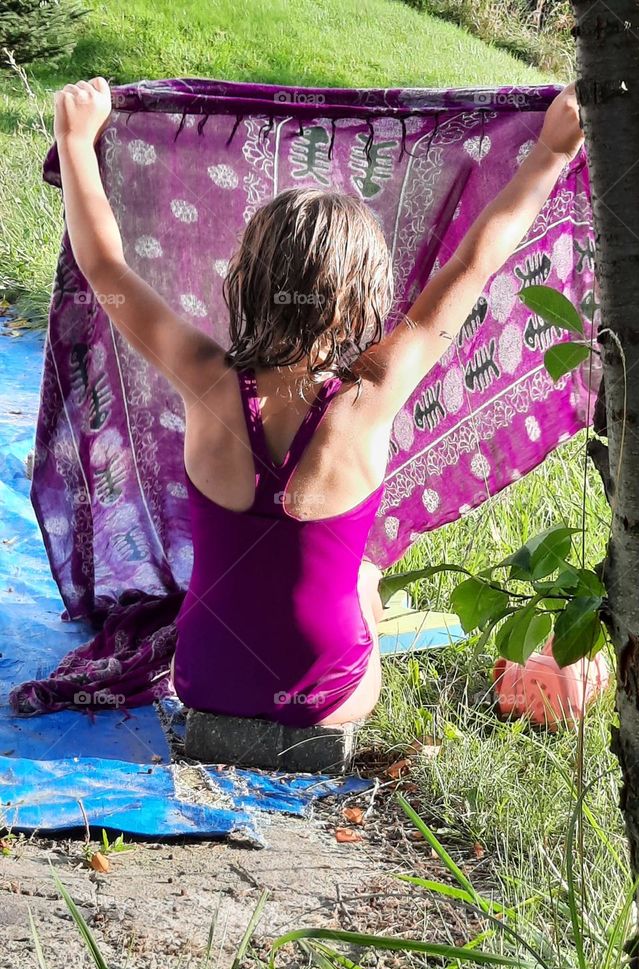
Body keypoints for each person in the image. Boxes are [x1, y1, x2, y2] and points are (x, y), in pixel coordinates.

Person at [52, 76, 585, 728]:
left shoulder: (204, 379)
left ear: (245, 280)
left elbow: (107, 268)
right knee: (364, 579)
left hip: (200, 681)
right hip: (326, 706)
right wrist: (551, 154)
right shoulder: (371, 398)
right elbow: (472, 266)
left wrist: (76, 142)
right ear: (365, 300)